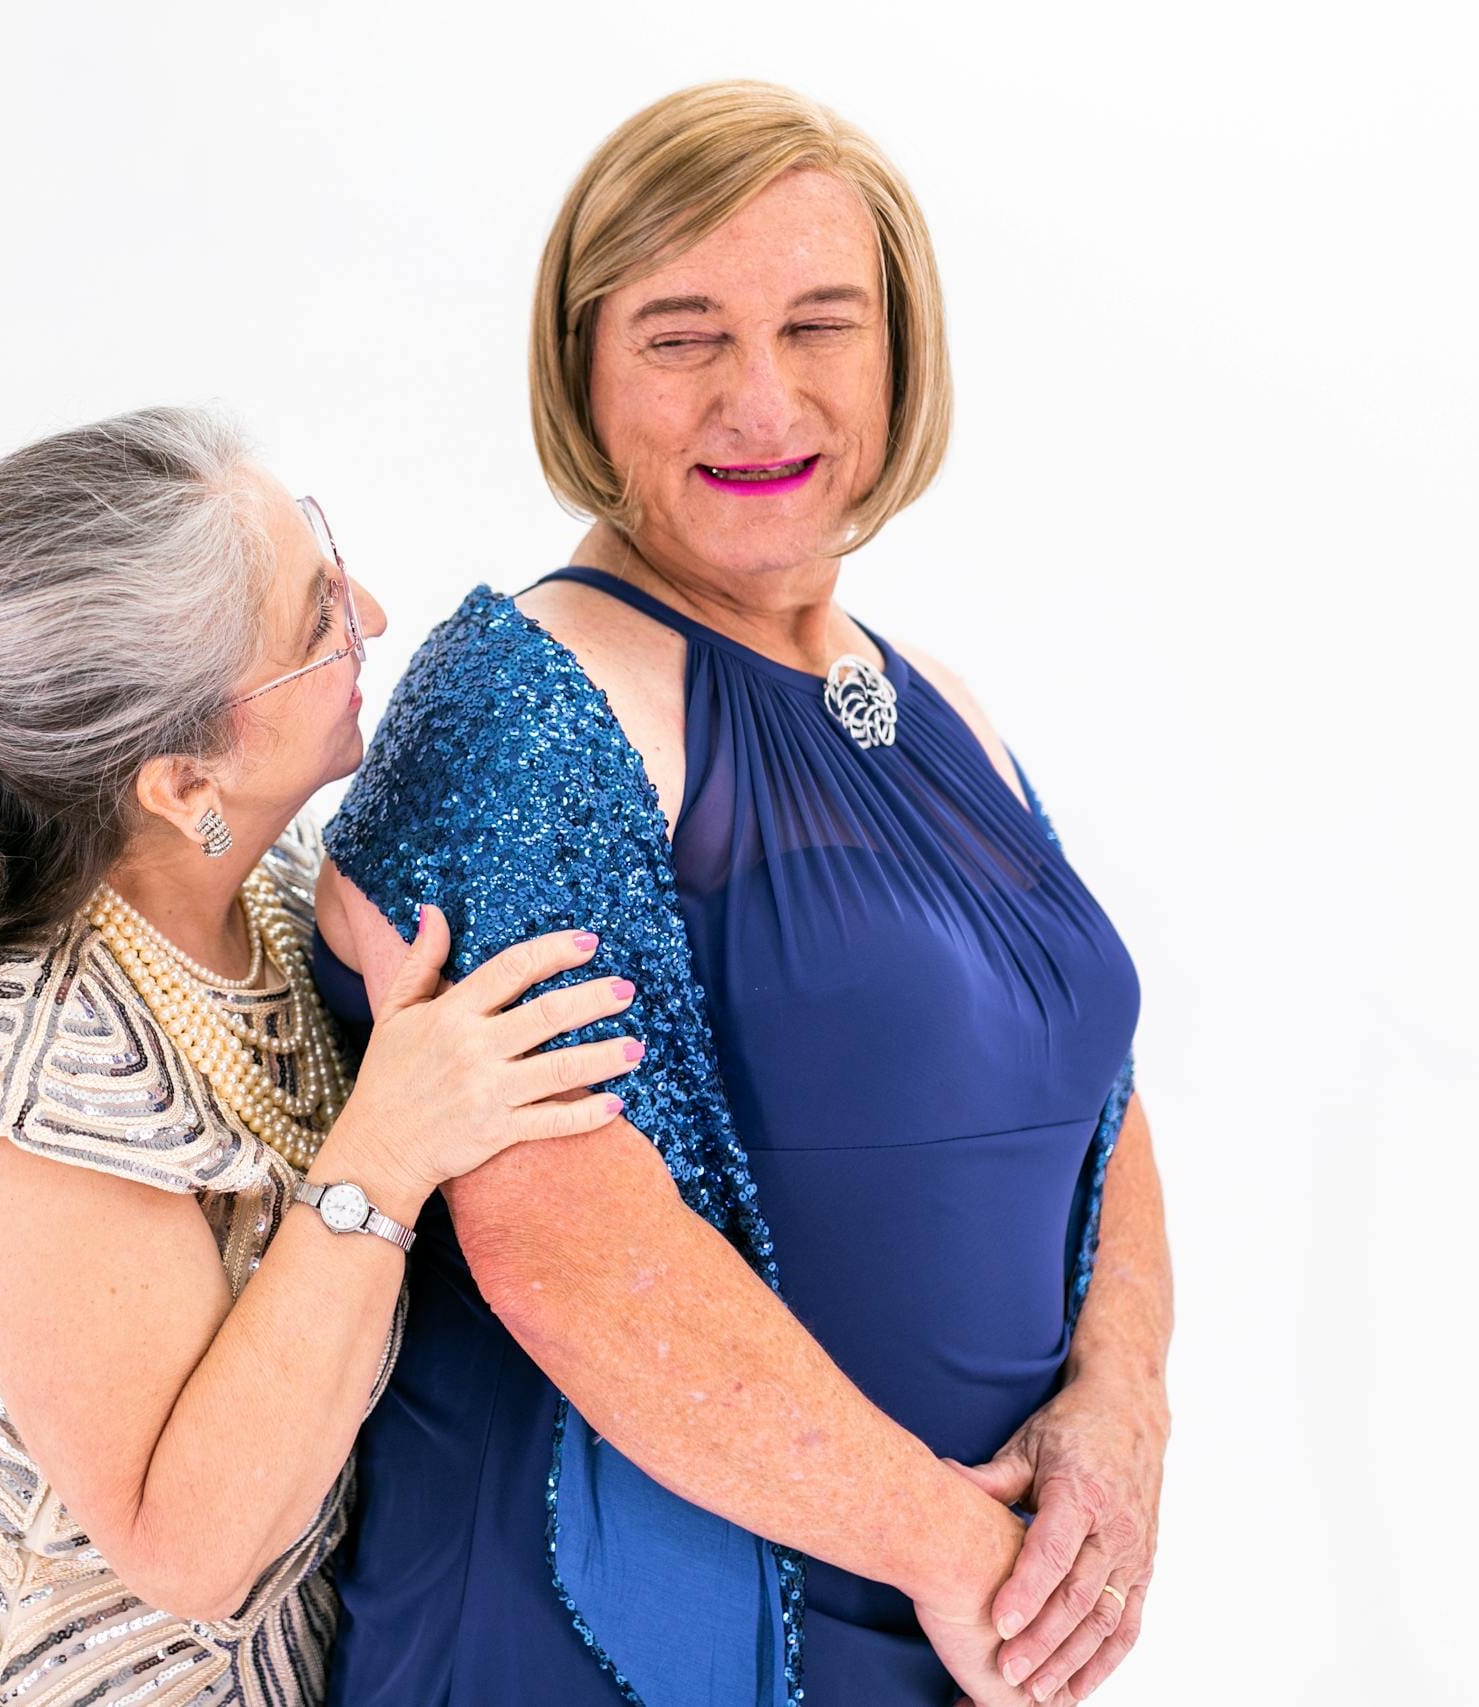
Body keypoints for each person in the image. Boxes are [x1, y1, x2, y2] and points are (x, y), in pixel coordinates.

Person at [312, 82, 1173, 1706]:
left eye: (820, 325)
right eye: (682, 335)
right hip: (618, 1634)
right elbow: (560, 1237)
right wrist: (955, 1552)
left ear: (899, 354)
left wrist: (1123, 1407)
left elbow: (1098, 1090)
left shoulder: (939, 700)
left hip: (963, 1623)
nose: (762, 398)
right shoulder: (521, 698)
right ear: (581, 368)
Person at [0, 406, 650, 1706]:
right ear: (184, 783)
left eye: (328, 558)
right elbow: (194, 1547)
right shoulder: (22, 1066)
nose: (377, 613)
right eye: (315, 621)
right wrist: (387, 1151)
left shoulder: (260, 895)